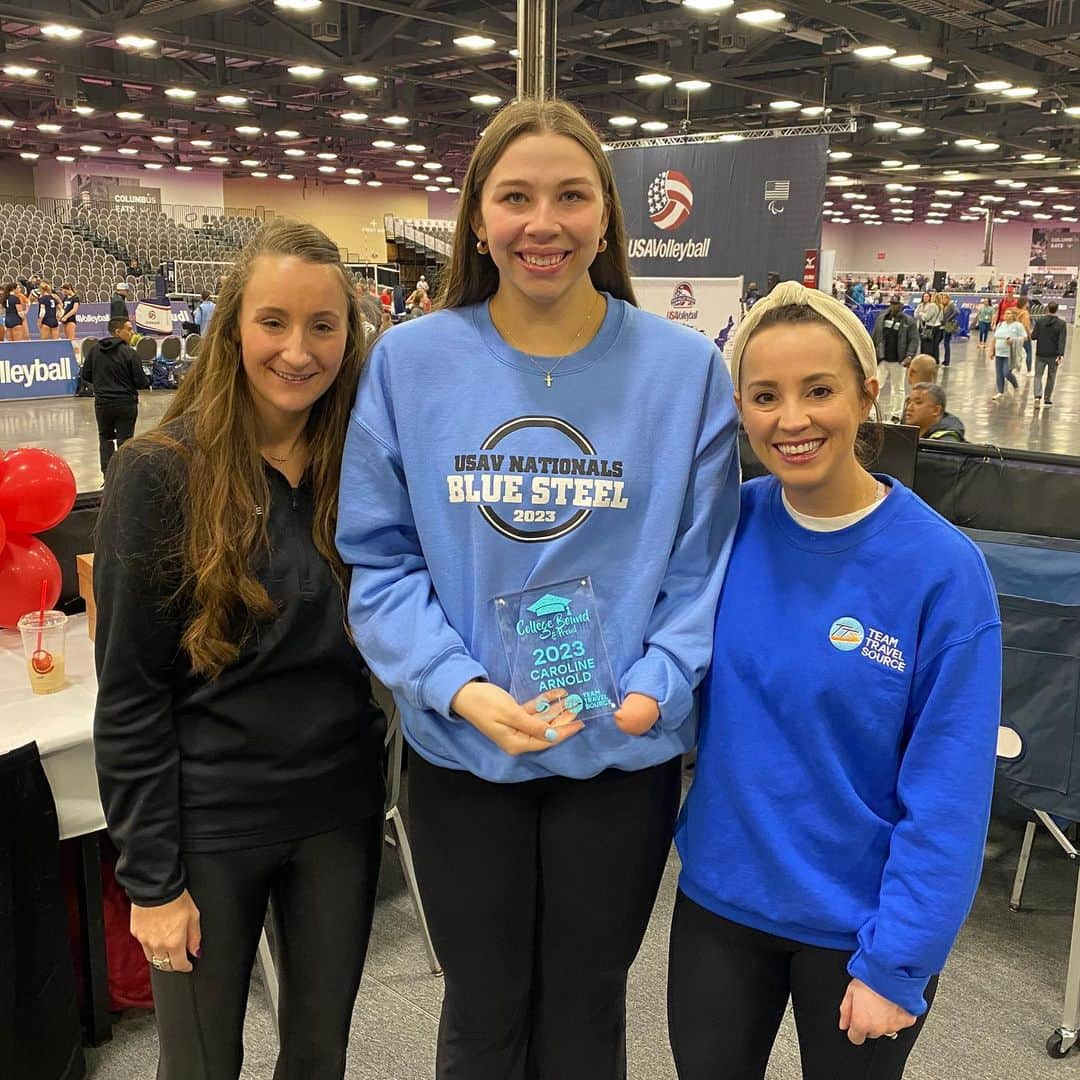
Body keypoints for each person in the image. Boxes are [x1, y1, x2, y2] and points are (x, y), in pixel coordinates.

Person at [336, 97, 741, 1080]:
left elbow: (703, 570)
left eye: (570, 195)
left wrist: (652, 692)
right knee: (480, 1014)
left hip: (622, 756)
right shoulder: (410, 364)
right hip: (464, 752)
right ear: (478, 218)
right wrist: (460, 688)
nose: (542, 224)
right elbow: (379, 562)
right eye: (514, 198)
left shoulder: (686, 372)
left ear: (608, 214)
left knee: (587, 1013)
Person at [668, 281, 1001, 1080]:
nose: (792, 420)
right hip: (722, 906)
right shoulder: (727, 528)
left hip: (862, 927)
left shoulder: (942, 572)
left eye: (819, 390)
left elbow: (950, 792)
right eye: (764, 396)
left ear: (867, 395)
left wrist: (901, 961)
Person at [93, 221, 385, 1079]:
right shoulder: (160, 474)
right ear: (231, 328)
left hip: (339, 812)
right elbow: (130, 692)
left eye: (323, 326)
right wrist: (150, 879)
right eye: (274, 322)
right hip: (207, 827)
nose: (299, 351)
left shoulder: (362, 472)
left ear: (349, 337)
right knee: (202, 1063)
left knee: (318, 1056)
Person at [80, 318, 150, 477]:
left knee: (105, 438)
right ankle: (124, 474)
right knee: (125, 440)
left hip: (103, 404)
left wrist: (101, 384)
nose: (132, 333)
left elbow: (86, 375)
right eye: (129, 329)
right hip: (126, 404)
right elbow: (140, 381)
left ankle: (107, 474)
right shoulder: (130, 353)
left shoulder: (94, 351)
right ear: (118, 332)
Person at [871, 295, 918, 421]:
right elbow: (875, 336)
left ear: (901, 306)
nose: (894, 306)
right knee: (875, 386)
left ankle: (896, 415)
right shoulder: (882, 318)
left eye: (896, 304)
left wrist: (909, 356)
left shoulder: (909, 322)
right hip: (882, 359)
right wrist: (872, 352)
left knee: (898, 388)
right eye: (892, 303)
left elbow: (914, 340)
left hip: (898, 360)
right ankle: (871, 414)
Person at [1031, 301, 1067, 408]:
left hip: (1041, 353)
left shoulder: (1040, 321)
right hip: (1054, 355)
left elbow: (1033, 336)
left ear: (1047, 309)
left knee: (1038, 375)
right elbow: (1062, 340)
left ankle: (1037, 396)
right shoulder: (1061, 324)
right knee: (1051, 377)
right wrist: (1060, 354)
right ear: (1057, 310)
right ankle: (1047, 400)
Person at [991, 306, 1024, 402]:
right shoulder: (1000, 324)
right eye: (1005, 313)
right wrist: (992, 350)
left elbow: (1024, 338)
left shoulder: (1017, 326)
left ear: (1013, 315)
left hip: (1009, 353)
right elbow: (995, 337)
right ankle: (1000, 391)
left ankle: (1015, 384)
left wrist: (1013, 340)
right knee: (999, 373)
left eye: (1009, 313)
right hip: (999, 352)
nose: (1006, 315)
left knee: (1006, 372)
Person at [914, 291, 941, 360]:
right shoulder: (920, 305)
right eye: (924, 296)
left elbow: (926, 318)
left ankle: (927, 360)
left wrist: (920, 314)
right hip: (926, 326)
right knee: (931, 345)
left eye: (928, 296)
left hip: (930, 327)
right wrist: (922, 314)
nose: (926, 298)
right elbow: (915, 314)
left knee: (928, 346)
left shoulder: (932, 306)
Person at [937, 292, 958, 366]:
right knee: (943, 342)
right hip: (944, 325)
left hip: (948, 326)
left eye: (943, 298)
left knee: (946, 343)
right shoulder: (945, 306)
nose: (942, 300)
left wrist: (949, 319)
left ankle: (947, 360)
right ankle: (945, 360)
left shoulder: (951, 305)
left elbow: (957, 312)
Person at [1014, 296, 1033, 373]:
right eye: (1027, 302)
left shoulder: (1014, 311)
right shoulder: (1025, 313)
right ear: (1025, 303)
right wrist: (1029, 335)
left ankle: (1017, 368)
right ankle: (1029, 370)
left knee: (1017, 352)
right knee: (1029, 352)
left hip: (1015, 335)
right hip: (1024, 336)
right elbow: (1026, 326)